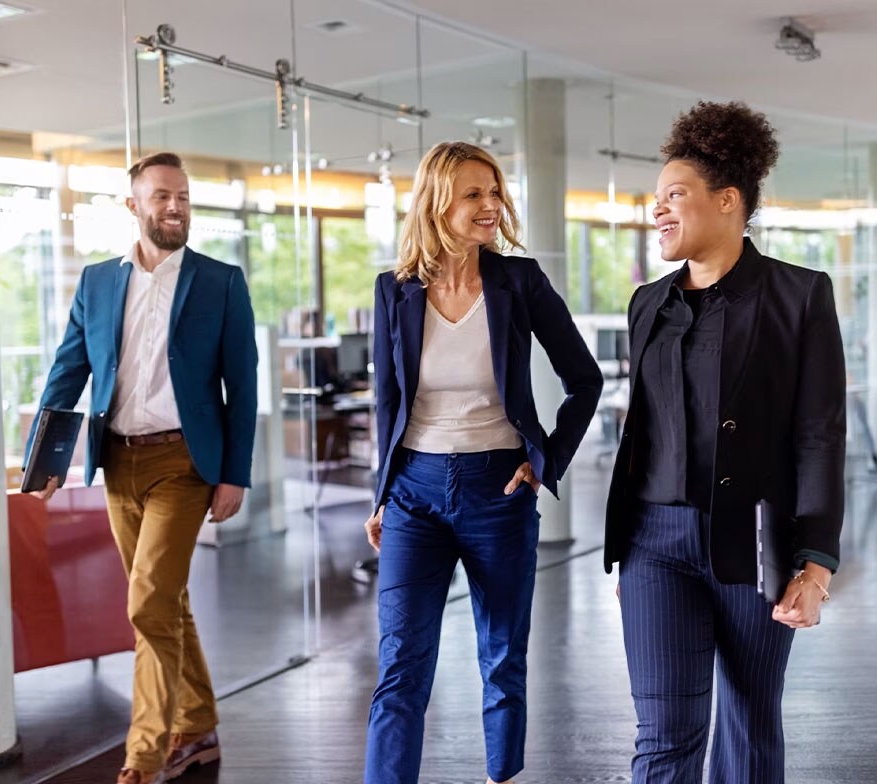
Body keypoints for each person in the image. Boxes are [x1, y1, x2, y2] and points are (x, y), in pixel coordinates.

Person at [603, 101, 846, 783]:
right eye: (656, 199)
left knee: (748, 723)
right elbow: (644, 429)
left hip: (754, 540)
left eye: (674, 195)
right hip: (654, 545)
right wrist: (627, 553)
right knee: (663, 735)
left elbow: (820, 436)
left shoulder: (799, 296)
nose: (657, 210)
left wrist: (815, 565)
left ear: (728, 200)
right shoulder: (647, 303)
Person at [363, 141, 603, 784]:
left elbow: (585, 380)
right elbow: (387, 401)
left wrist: (547, 461)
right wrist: (381, 495)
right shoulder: (394, 290)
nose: (490, 205)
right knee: (401, 665)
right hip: (413, 493)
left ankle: (501, 776)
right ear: (436, 203)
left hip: (499, 489)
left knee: (501, 658)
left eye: (494, 191)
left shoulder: (518, 282)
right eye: (473, 194)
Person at [27, 152, 258, 784]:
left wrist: (234, 473)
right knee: (165, 602)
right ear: (134, 206)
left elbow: (243, 385)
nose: (175, 206)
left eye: (183, 196)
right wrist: (44, 458)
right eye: (162, 196)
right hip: (117, 462)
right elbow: (68, 371)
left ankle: (147, 752)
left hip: (185, 463)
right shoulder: (98, 281)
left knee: (149, 600)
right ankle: (199, 724)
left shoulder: (221, 281)